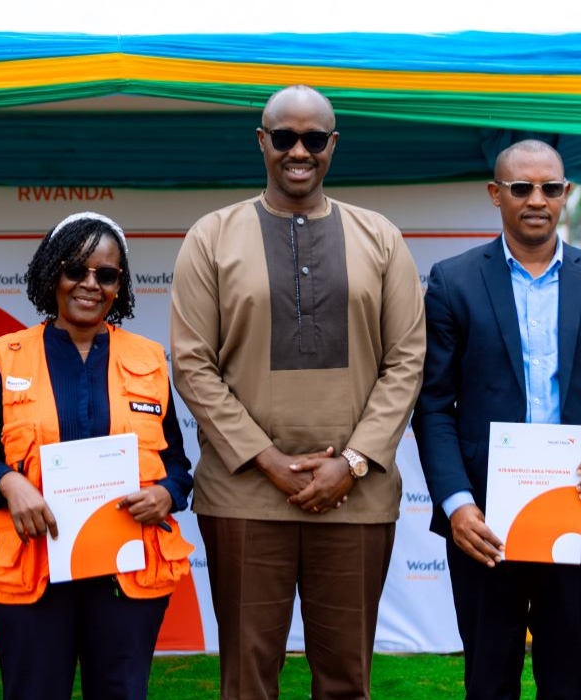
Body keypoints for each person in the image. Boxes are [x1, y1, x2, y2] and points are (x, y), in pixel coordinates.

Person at [169, 84, 426, 700]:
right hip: (244, 496)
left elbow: (407, 359)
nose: (298, 151)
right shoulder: (212, 236)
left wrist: (354, 461)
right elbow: (192, 362)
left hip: (355, 497)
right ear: (262, 141)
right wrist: (268, 461)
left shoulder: (381, 237)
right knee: (247, 679)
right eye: (284, 137)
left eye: (314, 139)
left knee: (345, 678)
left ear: (333, 145)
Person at [412, 140, 581, 700]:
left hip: (578, 513)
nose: (536, 200)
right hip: (484, 525)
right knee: (489, 682)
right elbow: (432, 404)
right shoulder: (453, 282)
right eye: (521, 188)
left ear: (566, 195)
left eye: (550, 188)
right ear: (496, 194)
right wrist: (457, 506)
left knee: (568, 683)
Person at [0, 211, 194, 700]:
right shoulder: (6, 357)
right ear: (53, 274)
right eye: (76, 270)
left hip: (124, 572)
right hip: (33, 569)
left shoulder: (149, 360)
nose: (90, 285)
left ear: (119, 286)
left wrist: (166, 494)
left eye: (106, 275)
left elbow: (178, 466)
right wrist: (11, 484)